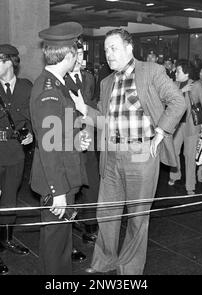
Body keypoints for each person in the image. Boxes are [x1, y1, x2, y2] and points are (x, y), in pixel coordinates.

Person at [70, 28, 186, 275]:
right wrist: (84, 109)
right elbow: (104, 118)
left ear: (129, 48)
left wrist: (161, 133)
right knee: (106, 213)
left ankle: (129, 269)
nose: (108, 54)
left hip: (141, 153)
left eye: (113, 48)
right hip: (111, 154)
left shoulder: (151, 72)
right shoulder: (106, 82)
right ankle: (104, 262)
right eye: (105, 50)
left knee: (137, 216)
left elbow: (178, 102)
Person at [30, 22, 90, 275]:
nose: (78, 57)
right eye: (77, 52)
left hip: (64, 172)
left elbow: (61, 131)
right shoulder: (49, 91)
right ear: (68, 55)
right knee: (57, 246)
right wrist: (58, 192)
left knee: (57, 243)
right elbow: (49, 147)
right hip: (57, 178)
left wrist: (77, 140)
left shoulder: (57, 84)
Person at [0, 44, 33, 274]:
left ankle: (7, 238)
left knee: (10, 197)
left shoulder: (26, 86)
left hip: (15, 151)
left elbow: (32, 115)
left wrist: (30, 132)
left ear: (10, 62)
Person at [64, 42, 99, 250]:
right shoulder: (60, 79)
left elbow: (93, 103)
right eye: (74, 54)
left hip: (89, 136)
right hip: (69, 138)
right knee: (70, 185)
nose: (78, 58)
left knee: (91, 183)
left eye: (80, 54)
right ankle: (67, 229)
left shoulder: (89, 78)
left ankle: (90, 226)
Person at [168, 60, 202, 195]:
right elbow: (167, 101)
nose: (175, 72)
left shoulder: (196, 85)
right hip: (177, 125)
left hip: (192, 125)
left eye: (178, 71)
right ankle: (175, 175)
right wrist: (181, 91)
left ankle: (190, 185)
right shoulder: (174, 84)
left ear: (186, 73)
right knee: (173, 151)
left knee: (189, 155)